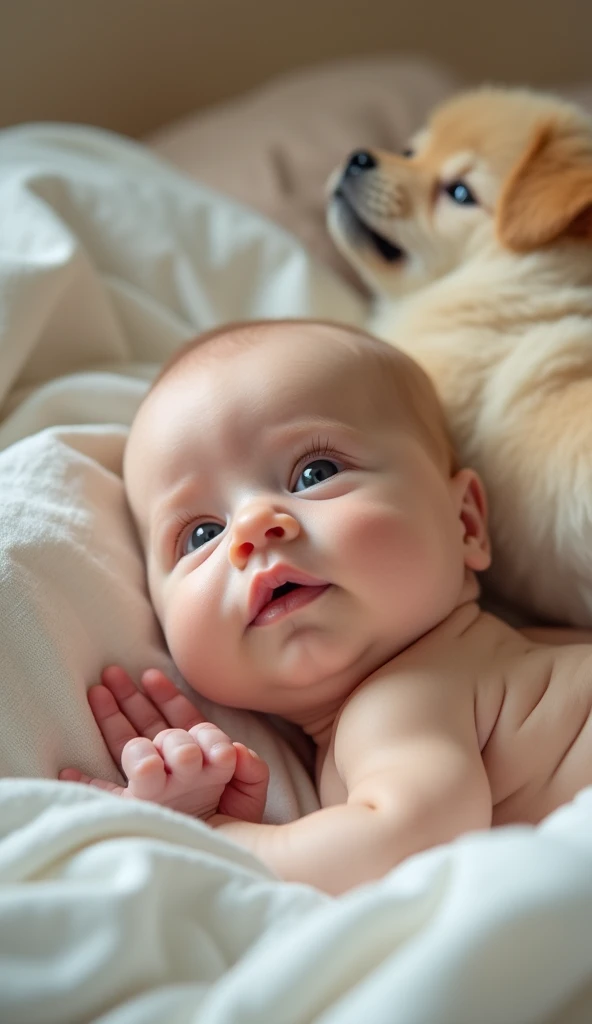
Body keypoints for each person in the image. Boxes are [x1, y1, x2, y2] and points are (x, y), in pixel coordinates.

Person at [60, 319, 592, 895]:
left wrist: (208, 835)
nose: (252, 528)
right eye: (200, 535)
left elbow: (406, 840)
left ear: (463, 522)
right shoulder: (523, 663)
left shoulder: (401, 698)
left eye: (315, 473)